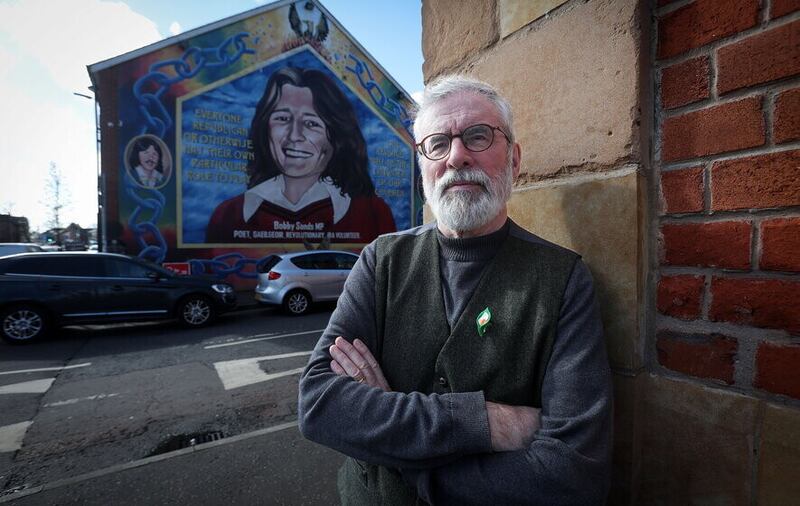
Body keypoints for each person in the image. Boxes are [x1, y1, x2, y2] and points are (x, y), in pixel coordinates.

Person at [298, 75, 613, 505]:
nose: (457, 156)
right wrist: (485, 422)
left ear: (515, 159)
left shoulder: (563, 280)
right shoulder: (380, 260)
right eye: (438, 144)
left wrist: (398, 449)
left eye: (478, 136)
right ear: (422, 164)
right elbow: (319, 404)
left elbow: (572, 475)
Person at [205, 67, 396, 244]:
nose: (294, 135)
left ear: (336, 136)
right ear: (265, 128)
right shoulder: (228, 215)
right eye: (282, 119)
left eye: (311, 123)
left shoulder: (372, 213)